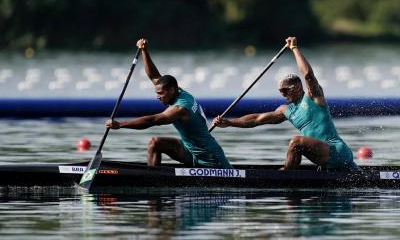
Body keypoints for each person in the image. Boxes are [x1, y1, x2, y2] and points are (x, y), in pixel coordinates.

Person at [213, 37, 358, 171]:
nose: (282, 94)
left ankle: (286, 177)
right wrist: (230, 122)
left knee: (295, 142)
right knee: (296, 145)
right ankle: (289, 176)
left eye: (285, 90)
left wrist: (294, 48)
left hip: (337, 151)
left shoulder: (313, 96)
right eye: (280, 91)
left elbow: (308, 75)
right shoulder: (286, 110)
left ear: (298, 87)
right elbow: (256, 119)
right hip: (323, 157)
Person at [106, 39, 232, 169]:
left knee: (156, 140)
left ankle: (152, 179)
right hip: (190, 151)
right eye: (157, 93)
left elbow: (153, 120)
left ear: (171, 90)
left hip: (210, 158)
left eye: (161, 94)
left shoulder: (180, 108)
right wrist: (144, 51)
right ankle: (152, 179)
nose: (158, 97)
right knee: (155, 143)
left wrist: (120, 124)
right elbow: (154, 76)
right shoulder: (178, 91)